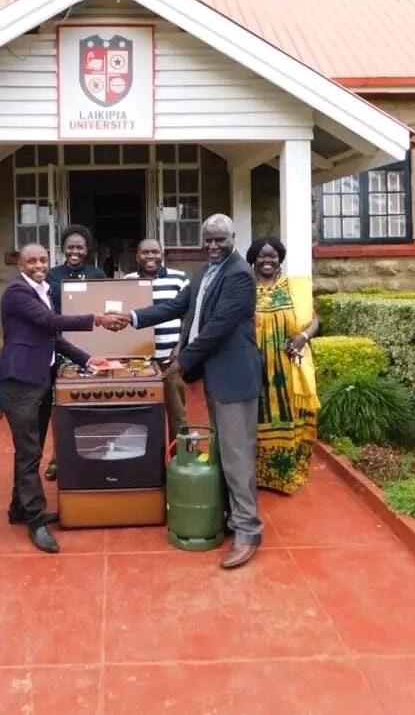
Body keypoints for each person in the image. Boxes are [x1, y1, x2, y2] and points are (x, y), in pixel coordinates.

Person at [116, 214, 263, 570]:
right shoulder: (205, 272)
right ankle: (230, 517)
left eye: (220, 240)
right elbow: (175, 307)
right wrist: (131, 318)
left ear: (233, 238)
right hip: (218, 375)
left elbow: (217, 329)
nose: (213, 246)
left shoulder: (240, 275)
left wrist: (181, 362)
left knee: (237, 454)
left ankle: (248, 531)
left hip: (235, 376)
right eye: (208, 240)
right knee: (225, 452)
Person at [0, 243, 121, 553]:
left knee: (33, 448)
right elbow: (52, 323)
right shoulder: (17, 292)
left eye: (42, 259)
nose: (39, 264)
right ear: (20, 263)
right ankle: (36, 521)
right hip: (20, 382)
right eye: (31, 260)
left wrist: (89, 360)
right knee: (29, 453)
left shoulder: (43, 290)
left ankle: (18, 509)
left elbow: (53, 338)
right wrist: (97, 318)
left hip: (39, 379)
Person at [246, 236, 320, 494]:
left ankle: (288, 475)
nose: (267, 260)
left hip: (289, 367)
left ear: (280, 259)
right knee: (255, 419)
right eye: (262, 256)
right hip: (255, 367)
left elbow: (314, 321)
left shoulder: (294, 287)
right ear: (253, 259)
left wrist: (302, 337)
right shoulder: (245, 288)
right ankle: (258, 476)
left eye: (273, 255)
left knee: (290, 419)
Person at [43, 224, 106, 481]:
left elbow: (103, 307)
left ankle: (95, 451)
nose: (75, 251)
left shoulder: (98, 274)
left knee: (93, 400)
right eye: (70, 247)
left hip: (91, 345)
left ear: (87, 249)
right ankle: (59, 456)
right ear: (63, 249)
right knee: (61, 405)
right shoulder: (51, 275)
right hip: (60, 345)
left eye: (79, 247)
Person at [123, 238, 189, 441]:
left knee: (178, 415)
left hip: (171, 359)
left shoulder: (179, 279)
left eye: (154, 252)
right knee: (143, 413)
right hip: (139, 361)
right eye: (145, 252)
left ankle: (180, 461)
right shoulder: (127, 281)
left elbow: (189, 315)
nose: (150, 256)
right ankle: (148, 462)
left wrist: (181, 345)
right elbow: (123, 319)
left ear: (162, 255)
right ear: (137, 257)